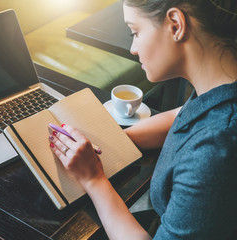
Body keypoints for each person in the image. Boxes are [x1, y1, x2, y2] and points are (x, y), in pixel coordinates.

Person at [48, 0, 237, 239]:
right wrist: (117, 142)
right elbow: (182, 115)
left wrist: (93, 178)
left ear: (176, 24)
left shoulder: (215, 149)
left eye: (135, 32)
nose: (133, 48)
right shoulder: (220, 87)